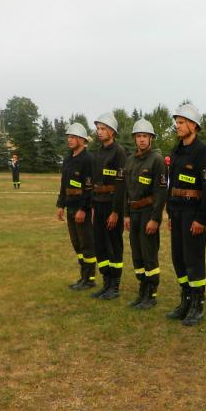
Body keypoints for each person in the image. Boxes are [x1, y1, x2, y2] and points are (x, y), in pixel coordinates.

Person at [164, 103, 206, 326]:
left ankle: (197, 304)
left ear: (193, 126)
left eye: (182, 122)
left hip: (192, 213)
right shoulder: (176, 151)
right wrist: (169, 212)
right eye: (177, 122)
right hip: (177, 213)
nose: (177, 126)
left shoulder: (203, 152)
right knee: (178, 258)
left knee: (193, 259)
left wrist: (200, 218)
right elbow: (171, 184)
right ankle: (185, 300)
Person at [123, 118, 168, 309]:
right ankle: (142, 290)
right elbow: (126, 190)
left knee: (149, 254)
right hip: (133, 213)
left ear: (151, 138)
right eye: (139, 136)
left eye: (145, 136)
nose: (142, 139)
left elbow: (160, 192)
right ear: (135, 138)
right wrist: (126, 215)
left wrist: (155, 219)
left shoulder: (157, 160)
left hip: (148, 213)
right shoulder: (130, 161)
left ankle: (151, 294)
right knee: (137, 254)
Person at [89, 112, 127, 300]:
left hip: (112, 205)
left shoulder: (119, 152)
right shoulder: (98, 153)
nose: (99, 131)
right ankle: (106, 283)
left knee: (114, 245)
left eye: (103, 128)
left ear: (112, 131)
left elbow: (121, 185)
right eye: (98, 128)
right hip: (98, 204)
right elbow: (94, 183)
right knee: (100, 245)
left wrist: (116, 212)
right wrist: (93, 207)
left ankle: (115, 285)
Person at [56, 122, 97, 290]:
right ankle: (83, 276)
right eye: (68, 137)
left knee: (86, 244)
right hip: (70, 207)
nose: (69, 140)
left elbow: (89, 188)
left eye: (73, 137)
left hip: (82, 209)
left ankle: (90, 279)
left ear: (82, 139)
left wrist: (84, 209)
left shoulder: (88, 160)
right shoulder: (68, 158)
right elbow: (64, 184)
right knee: (77, 244)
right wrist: (61, 204)